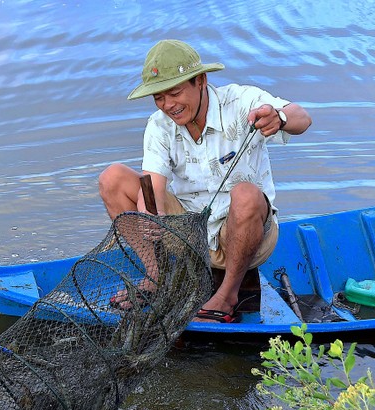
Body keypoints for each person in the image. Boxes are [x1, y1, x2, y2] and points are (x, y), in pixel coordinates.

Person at [98, 39, 312, 323]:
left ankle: (227, 295)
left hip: (247, 235)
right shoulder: (159, 125)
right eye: (159, 97)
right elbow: (153, 183)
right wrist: (150, 214)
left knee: (246, 194)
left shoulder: (241, 100)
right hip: (191, 234)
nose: (168, 105)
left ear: (200, 81)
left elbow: (303, 118)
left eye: (174, 93)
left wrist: (280, 118)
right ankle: (155, 277)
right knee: (112, 178)